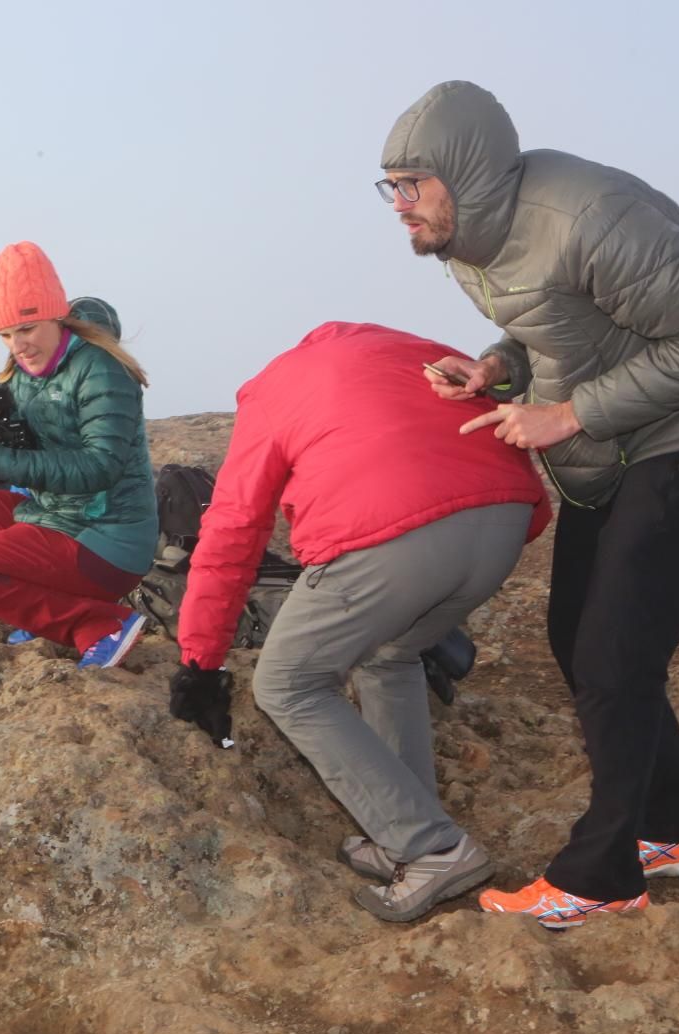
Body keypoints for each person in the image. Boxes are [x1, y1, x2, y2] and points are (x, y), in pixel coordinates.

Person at [379, 81, 679, 925]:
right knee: (577, 636)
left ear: (466, 173)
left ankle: (602, 875)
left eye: (412, 184)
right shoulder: (470, 241)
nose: (399, 205)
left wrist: (569, 414)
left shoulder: (587, 218)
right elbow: (561, 324)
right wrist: (497, 367)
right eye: (391, 187)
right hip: (612, 453)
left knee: (614, 659)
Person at [168, 322, 549, 922]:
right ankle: (406, 832)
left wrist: (201, 662)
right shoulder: (408, 349)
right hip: (505, 521)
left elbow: (235, 528)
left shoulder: (272, 389)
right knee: (389, 656)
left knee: (288, 683)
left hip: (394, 534)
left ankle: (432, 850)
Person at [0, 242, 155, 669]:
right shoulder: (21, 374)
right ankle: (39, 608)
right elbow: (25, 447)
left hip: (105, 537)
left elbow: (100, 467)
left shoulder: (102, 370)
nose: (18, 345)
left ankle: (98, 623)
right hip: (52, 515)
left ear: (57, 316)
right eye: (6, 335)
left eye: (26, 329)